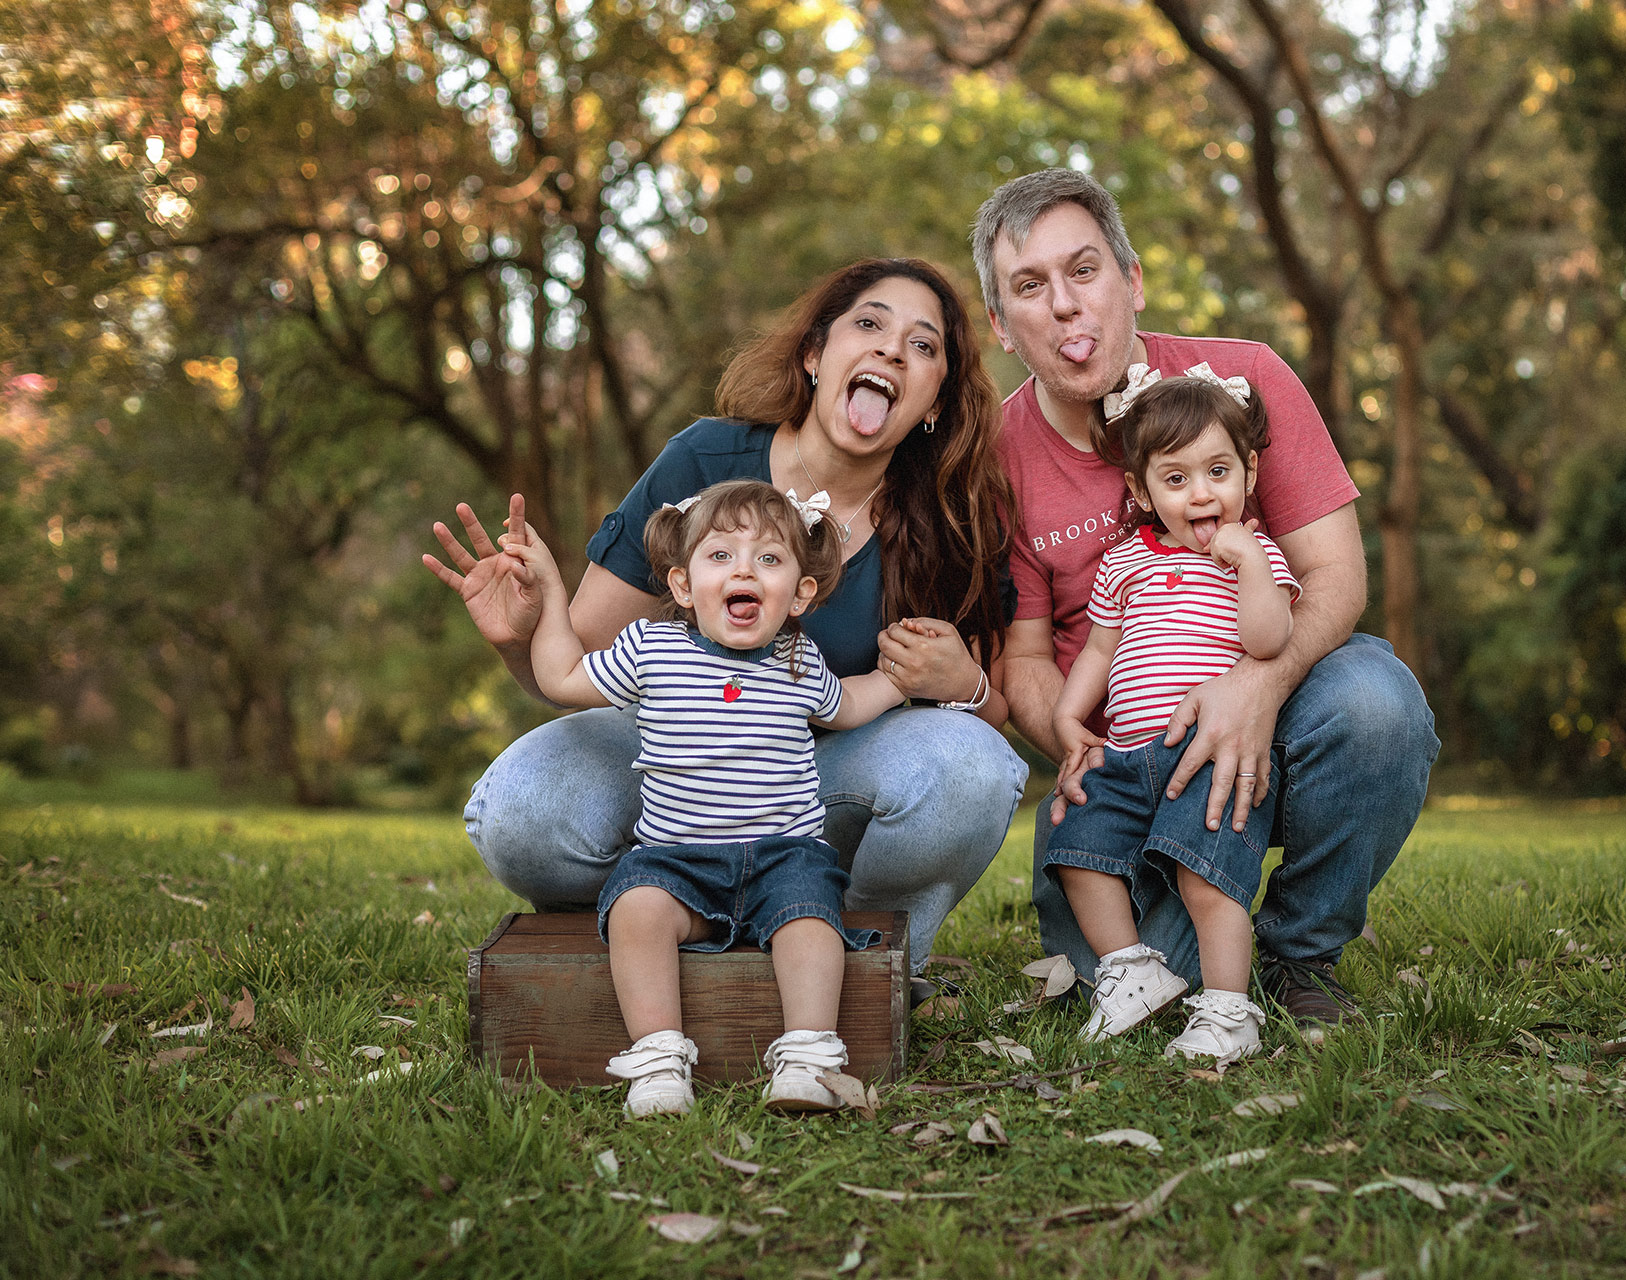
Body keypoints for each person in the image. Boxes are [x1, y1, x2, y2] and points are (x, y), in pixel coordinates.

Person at [427, 259, 1028, 985]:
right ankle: (660, 922)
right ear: (814, 355)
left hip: (823, 782)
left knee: (971, 768)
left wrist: (964, 686)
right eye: (868, 324)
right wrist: (521, 634)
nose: (891, 350)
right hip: (680, 766)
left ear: (934, 401)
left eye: (924, 346)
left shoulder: (950, 518)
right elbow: (577, 665)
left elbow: (994, 718)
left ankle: (866, 961)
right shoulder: (706, 459)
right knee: (523, 809)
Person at [972, 168, 1440, 1028]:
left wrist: (1256, 689)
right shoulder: (996, 459)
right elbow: (1027, 659)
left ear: (1133, 279)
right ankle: (1191, 943)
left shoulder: (1243, 381)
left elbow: (1338, 575)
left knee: (1377, 705)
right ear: (1002, 326)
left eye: (1085, 271)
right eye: (1030, 288)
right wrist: (1091, 757)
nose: (1067, 305)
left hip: (1275, 721)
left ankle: (1302, 950)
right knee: (1145, 978)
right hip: (1128, 766)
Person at [490, 480, 907, 1115]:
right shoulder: (652, 649)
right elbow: (562, 677)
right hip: (675, 861)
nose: (745, 569)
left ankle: (806, 1056)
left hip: (784, 855)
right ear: (683, 586)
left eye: (769, 559)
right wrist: (549, 591)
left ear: (800, 594)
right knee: (637, 912)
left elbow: (847, 707)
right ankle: (659, 1060)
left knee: (812, 921)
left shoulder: (798, 657)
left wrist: (898, 680)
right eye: (721, 556)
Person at [1045, 373, 1300, 1064]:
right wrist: (1070, 717)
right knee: (1071, 833)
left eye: (1218, 472)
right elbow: (1101, 648)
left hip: (1215, 756)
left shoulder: (1257, 556)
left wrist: (1248, 560)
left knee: (1205, 879)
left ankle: (1227, 1012)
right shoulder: (1123, 563)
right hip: (1129, 754)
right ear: (1141, 492)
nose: (1201, 494)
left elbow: (1269, 641)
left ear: (1248, 472)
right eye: (1177, 478)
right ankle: (1130, 968)